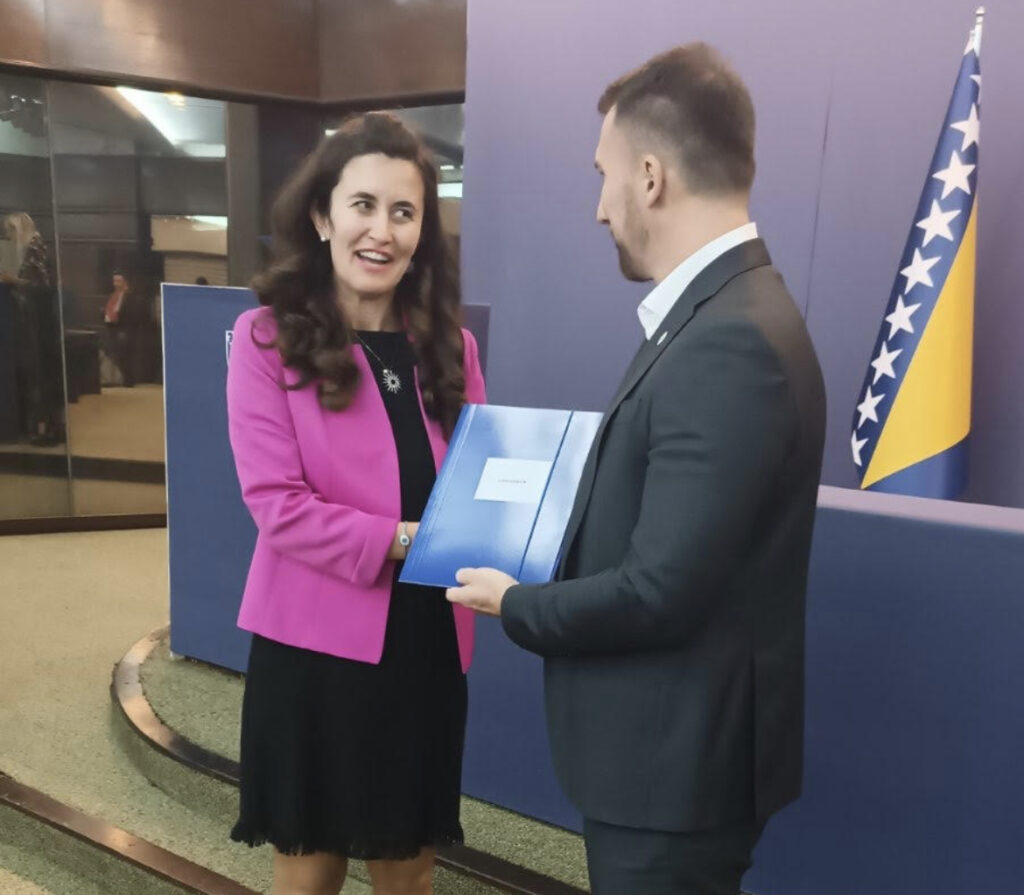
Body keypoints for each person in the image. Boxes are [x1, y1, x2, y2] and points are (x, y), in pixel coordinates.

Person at [448, 43, 826, 895]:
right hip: (674, 763)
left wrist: (516, 602)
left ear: (650, 177)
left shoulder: (728, 340)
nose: (599, 208)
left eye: (604, 175)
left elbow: (660, 590)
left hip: (674, 777)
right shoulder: (726, 314)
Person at [226, 112, 486, 895]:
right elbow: (279, 506)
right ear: (322, 215)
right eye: (363, 205)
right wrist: (409, 536)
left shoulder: (452, 347)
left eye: (404, 212)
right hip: (313, 651)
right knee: (310, 875)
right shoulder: (266, 339)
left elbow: (480, 488)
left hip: (424, 645)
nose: (382, 230)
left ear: (422, 232)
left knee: (409, 876)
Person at [1, 212, 63, 446]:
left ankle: (50, 430)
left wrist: (12, 281)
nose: (9, 236)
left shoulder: (35, 248)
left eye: (11, 231)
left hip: (40, 321)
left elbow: (40, 285)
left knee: (44, 375)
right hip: (39, 320)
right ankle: (48, 427)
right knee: (43, 375)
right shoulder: (36, 247)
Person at [101, 270, 136, 386]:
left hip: (124, 328)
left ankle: (129, 380)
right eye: (114, 281)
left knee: (125, 355)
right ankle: (122, 378)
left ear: (124, 281)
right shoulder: (113, 296)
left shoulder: (129, 296)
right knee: (116, 354)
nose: (116, 283)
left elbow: (131, 314)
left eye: (118, 281)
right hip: (113, 327)